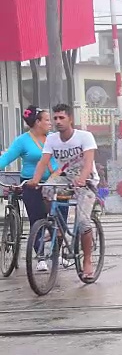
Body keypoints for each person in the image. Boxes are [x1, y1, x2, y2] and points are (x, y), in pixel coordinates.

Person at [28, 103, 99, 278]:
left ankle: (87, 261)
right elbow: (44, 161)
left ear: (70, 119)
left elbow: (88, 162)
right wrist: (35, 180)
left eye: (62, 118)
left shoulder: (84, 136)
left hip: (86, 179)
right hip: (64, 177)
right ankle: (56, 226)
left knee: (83, 222)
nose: (58, 121)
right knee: (46, 190)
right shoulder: (52, 139)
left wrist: (82, 179)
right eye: (55, 118)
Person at [0, 105, 69, 271]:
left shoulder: (54, 138)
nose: (51, 123)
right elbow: (7, 158)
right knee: (37, 218)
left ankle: (57, 252)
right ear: (37, 122)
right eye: (47, 120)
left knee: (61, 217)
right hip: (32, 183)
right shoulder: (22, 141)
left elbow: (68, 155)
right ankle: (40, 256)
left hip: (55, 182)